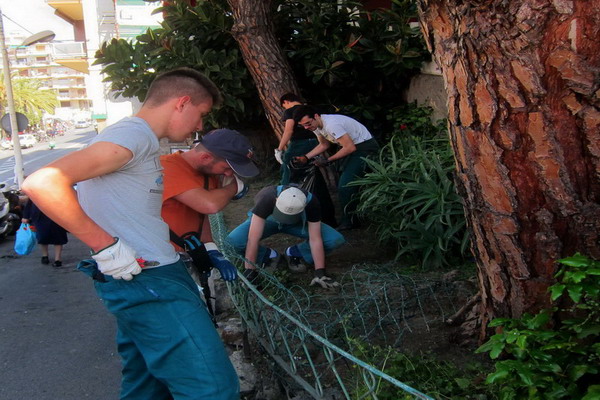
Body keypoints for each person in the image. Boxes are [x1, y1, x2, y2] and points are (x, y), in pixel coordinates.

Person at [22, 67, 239, 400]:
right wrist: (104, 247)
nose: (200, 127)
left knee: (146, 387)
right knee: (213, 387)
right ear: (181, 103)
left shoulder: (139, 140)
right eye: (201, 115)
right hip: (149, 281)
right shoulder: (133, 136)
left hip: (143, 279)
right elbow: (42, 182)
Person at [161, 128, 259, 313]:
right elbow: (209, 205)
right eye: (227, 168)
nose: (229, 175)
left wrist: (212, 249)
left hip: (190, 254)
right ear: (206, 158)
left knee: (203, 312)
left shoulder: (209, 174)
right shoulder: (167, 167)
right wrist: (234, 188)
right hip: (163, 264)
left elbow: (201, 215)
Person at [227, 185, 345, 289]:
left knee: (334, 239)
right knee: (232, 241)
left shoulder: (311, 203)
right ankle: (267, 255)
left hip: (297, 222)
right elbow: (253, 238)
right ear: (277, 200)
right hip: (268, 220)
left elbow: (315, 238)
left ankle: (296, 252)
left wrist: (320, 273)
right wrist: (250, 272)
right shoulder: (267, 197)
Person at [292, 105, 379, 230]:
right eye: (303, 125)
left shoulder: (332, 124)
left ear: (316, 116)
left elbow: (350, 147)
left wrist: (327, 160)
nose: (306, 127)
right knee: (346, 182)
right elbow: (324, 144)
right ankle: (353, 215)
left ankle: (350, 222)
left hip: (365, 148)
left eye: (308, 123)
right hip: (353, 148)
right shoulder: (316, 126)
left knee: (345, 185)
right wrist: (306, 157)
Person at [275, 93, 319, 185]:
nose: (285, 109)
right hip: (316, 142)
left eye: (284, 106)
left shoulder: (290, 111)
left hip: (299, 143)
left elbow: (288, 131)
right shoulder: (310, 109)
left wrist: (279, 149)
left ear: (286, 101)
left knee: (287, 165)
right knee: (311, 168)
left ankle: (285, 191)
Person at [22, 199, 68, 267]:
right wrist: (25, 216)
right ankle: (45, 256)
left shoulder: (59, 189)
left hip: (57, 214)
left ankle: (58, 259)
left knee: (58, 236)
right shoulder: (36, 189)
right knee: (42, 236)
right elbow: (30, 201)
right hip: (40, 216)